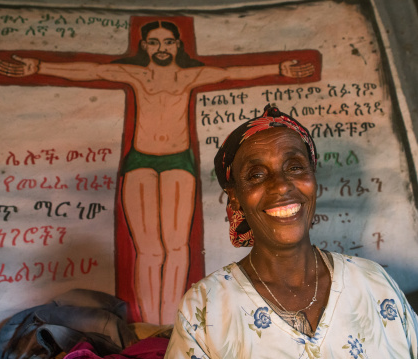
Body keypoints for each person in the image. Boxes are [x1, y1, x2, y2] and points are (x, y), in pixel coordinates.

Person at [0, 20, 315, 325]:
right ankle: (150, 323)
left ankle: (173, 323)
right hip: (140, 159)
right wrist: (37, 67)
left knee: (176, 247)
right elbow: (92, 70)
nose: (162, 47)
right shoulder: (136, 74)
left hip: (177, 161)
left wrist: (279, 69)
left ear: (177, 45)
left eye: (168, 41)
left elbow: (231, 71)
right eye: (154, 42)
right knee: (147, 249)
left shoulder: (188, 76)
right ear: (145, 45)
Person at [164, 104, 418, 358]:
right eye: (257, 174)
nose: (282, 186)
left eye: (295, 167)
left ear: (313, 179)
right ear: (235, 198)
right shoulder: (205, 308)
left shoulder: (374, 283)